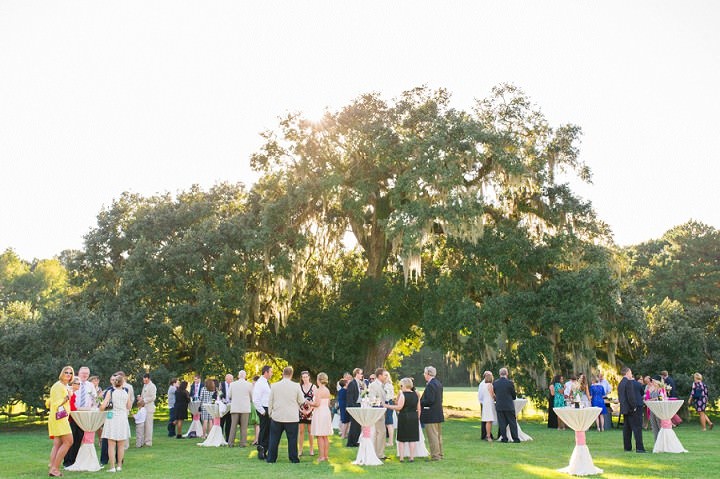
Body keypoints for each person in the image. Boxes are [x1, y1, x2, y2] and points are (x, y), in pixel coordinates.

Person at [266, 366, 305, 463]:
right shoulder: (296, 386)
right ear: (291, 374)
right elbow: (301, 401)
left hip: (277, 416)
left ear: (283, 374)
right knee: (292, 439)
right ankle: (293, 458)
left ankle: (271, 458)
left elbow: (270, 401)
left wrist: (270, 413)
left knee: (274, 439)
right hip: (291, 417)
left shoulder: (274, 385)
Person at [101, 373, 133, 472]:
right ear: (123, 382)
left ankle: (112, 467)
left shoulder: (110, 391)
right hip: (122, 418)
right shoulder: (126, 392)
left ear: (114, 382)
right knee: (121, 445)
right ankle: (119, 466)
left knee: (111, 444)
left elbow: (102, 407)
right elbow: (129, 407)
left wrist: (102, 407)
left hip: (112, 418)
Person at [386, 377, 420, 462]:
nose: (400, 387)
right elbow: (419, 408)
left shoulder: (403, 395)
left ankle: (401, 458)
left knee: (402, 438)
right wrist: (418, 417)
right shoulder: (416, 394)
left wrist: (388, 406)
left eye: (401, 385)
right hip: (414, 416)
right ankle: (411, 457)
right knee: (412, 438)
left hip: (404, 416)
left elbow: (399, 407)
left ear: (404, 385)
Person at [48, 366, 74, 477]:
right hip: (59, 417)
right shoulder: (58, 386)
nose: (68, 374)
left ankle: (52, 467)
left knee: (58, 443)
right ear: (62, 373)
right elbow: (55, 403)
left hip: (60, 417)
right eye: (66, 372)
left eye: (70, 373)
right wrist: (68, 397)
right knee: (69, 441)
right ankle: (55, 468)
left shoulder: (63, 386)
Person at [618, 366, 645, 453]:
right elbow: (631, 397)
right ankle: (639, 448)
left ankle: (627, 447)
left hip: (625, 409)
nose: (631, 374)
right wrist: (634, 407)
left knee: (627, 429)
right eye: (630, 372)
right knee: (637, 428)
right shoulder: (628, 382)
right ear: (627, 373)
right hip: (632, 409)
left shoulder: (621, 383)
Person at [308, 372, 333, 462]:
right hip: (326, 412)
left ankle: (321, 457)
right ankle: (326, 456)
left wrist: (308, 402)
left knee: (319, 435)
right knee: (325, 436)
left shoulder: (318, 390)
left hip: (320, 413)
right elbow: (328, 403)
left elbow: (317, 404)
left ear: (318, 380)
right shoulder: (327, 390)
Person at [420, 365, 444, 460]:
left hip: (431, 414)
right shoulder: (438, 383)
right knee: (438, 435)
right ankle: (439, 453)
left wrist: (420, 402)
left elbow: (430, 400)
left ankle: (435, 455)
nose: (424, 375)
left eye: (425, 373)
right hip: (437, 412)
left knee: (432, 435)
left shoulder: (430, 385)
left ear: (428, 374)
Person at [493, 367, 520, 443]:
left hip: (499, 405)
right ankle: (515, 438)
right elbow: (514, 396)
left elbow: (494, 394)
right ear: (507, 373)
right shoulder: (510, 383)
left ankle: (504, 438)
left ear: (499, 374)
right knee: (512, 423)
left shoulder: (495, 383)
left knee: (502, 423)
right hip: (509, 406)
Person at [228, 370, 253, 447]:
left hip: (235, 407)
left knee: (233, 426)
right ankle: (243, 443)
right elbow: (252, 397)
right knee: (244, 427)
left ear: (238, 376)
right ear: (245, 376)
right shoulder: (249, 385)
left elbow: (229, 396)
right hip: (245, 408)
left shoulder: (232, 384)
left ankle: (231, 443)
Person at [368, 367, 389, 459]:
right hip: (377, 412)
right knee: (381, 432)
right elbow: (372, 399)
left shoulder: (383, 385)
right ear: (379, 376)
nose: (386, 377)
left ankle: (378, 453)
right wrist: (380, 404)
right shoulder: (373, 385)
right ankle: (379, 454)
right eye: (385, 375)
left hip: (382, 411)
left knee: (380, 432)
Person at [62, 375, 83, 468]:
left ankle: (73, 459)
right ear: (72, 384)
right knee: (70, 440)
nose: (78, 385)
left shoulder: (73, 394)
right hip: (69, 420)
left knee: (78, 437)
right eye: (77, 383)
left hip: (74, 418)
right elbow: (70, 407)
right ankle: (68, 461)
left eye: (79, 384)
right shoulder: (68, 393)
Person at [253, 365, 272, 459]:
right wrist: (262, 411)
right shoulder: (260, 383)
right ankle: (261, 450)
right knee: (264, 430)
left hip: (268, 408)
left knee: (267, 430)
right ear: (266, 372)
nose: (272, 374)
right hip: (264, 409)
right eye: (271, 372)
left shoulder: (266, 382)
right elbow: (255, 399)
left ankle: (264, 450)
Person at [297, 370, 316, 457]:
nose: (305, 378)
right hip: (301, 411)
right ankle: (300, 450)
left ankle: (311, 449)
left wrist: (309, 410)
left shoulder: (313, 387)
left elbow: (315, 400)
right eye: (303, 377)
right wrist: (301, 411)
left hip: (311, 412)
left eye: (306, 377)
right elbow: (296, 400)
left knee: (310, 431)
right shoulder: (299, 387)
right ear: (301, 378)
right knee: (301, 431)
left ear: (309, 377)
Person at [345, 368, 364, 447]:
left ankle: (356, 441)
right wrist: (352, 408)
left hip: (358, 405)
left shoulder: (359, 383)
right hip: (354, 406)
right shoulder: (352, 383)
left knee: (357, 425)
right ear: (356, 374)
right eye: (360, 373)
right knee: (354, 425)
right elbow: (349, 397)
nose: (361, 375)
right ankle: (350, 443)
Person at [477, 371, 496, 441]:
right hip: (489, 403)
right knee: (489, 420)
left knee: (487, 420)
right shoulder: (490, 385)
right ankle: (488, 436)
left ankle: (487, 435)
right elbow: (492, 395)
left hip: (485, 403)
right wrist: (496, 397)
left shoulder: (483, 385)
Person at [139, 373, 156, 446]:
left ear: (149, 379)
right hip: (143, 408)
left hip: (149, 408)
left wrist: (144, 400)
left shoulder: (152, 386)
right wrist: (140, 399)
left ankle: (148, 442)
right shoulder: (145, 385)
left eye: (145, 380)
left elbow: (153, 397)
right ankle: (143, 440)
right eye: (143, 380)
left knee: (148, 425)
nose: (144, 381)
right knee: (143, 425)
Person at [219, 373, 234, 441]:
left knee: (229, 423)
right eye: (230, 379)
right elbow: (219, 392)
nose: (231, 380)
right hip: (223, 406)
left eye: (232, 379)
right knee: (221, 423)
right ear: (226, 379)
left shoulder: (233, 384)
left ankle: (228, 439)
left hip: (230, 406)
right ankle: (220, 438)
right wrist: (223, 399)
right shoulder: (221, 384)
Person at [384, 373, 396, 446]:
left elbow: (387, 396)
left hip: (388, 403)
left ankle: (390, 442)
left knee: (389, 423)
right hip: (389, 402)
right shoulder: (388, 384)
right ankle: (388, 441)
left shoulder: (387, 385)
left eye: (385, 375)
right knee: (388, 422)